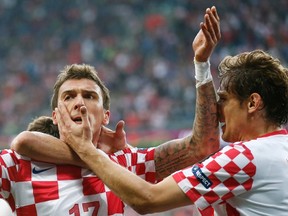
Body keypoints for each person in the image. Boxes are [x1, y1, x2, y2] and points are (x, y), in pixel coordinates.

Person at [4, 6, 220, 215]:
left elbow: (203, 147)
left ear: (106, 115)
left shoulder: (124, 162)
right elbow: (22, 141)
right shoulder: (18, 163)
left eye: (89, 96)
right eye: (68, 96)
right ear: (55, 116)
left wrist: (201, 65)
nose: (79, 103)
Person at [57, 36, 288, 215]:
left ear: (252, 103)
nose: (217, 109)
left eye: (224, 99)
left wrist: (87, 150)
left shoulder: (243, 157)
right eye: (68, 97)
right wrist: (201, 64)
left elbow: (148, 199)